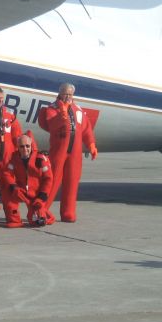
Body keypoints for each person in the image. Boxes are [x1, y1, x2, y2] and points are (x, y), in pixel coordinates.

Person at [38, 83, 97, 222]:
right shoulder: (52, 109)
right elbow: (50, 124)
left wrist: (91, 144)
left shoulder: (78, 110)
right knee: (52, 179)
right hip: (59, 150)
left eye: (70, 94)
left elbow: (86, 129)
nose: (68, 97)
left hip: (75, 152)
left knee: (72, 181)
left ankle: (68, 212)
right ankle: (42, 208)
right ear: (60, 93)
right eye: (65, 94)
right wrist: (63, 114)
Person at [0, 134, 53, 228]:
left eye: (27, 146)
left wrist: (42, 196)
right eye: (22, 146)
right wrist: (13, 186)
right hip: (22, 191)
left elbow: (48, 179)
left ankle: (45, 215)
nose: (25, 149)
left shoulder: (40, 159)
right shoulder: (14, 158)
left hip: (37, 193)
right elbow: (7, 173)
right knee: (6, 191)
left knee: (35, 221)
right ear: (18, 147)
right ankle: (14, 220)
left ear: (31, 146)